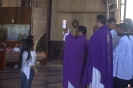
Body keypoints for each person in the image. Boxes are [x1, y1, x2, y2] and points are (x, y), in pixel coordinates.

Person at [82, 15, 113, 88]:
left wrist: (86, 42)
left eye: (96, 21)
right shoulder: (108, 33)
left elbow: (90, 46)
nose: (95, 23)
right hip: (105, 62)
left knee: (96, 80)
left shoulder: (98, 33)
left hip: (97, 62)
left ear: (99, 21)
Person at [113, 23, 133, 88]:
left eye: (118, 28)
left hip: (123, 66)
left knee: (123, 84)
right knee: (128, 83)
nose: (117, 29)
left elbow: (116, 51)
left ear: (121, 29)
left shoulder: (124, 39)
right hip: (125, 65)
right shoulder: (127, 37)